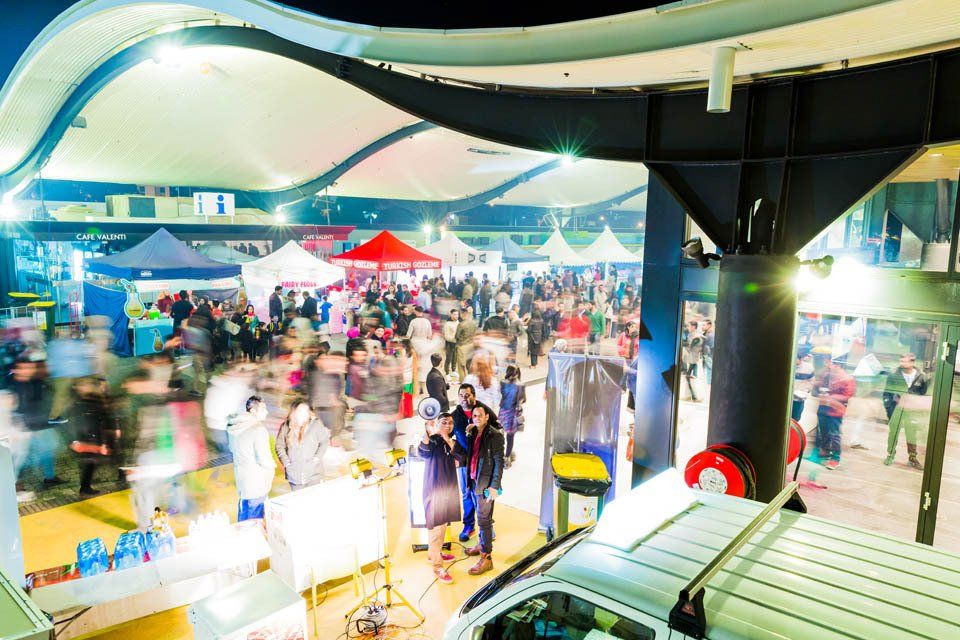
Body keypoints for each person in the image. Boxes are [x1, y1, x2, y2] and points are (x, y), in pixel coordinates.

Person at [418, 412, 466, 584]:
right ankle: (437, 566)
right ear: (437, 424)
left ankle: (434, 553)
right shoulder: (431, 440)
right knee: (436, 527)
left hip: (449, 489)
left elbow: (462, 458)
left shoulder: (451, 441)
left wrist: (447, 438)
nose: (448, 425)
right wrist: (427, 431)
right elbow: (422, 452)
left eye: (450, 423)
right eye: (444, 422)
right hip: (434, 490)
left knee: (443, 523)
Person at [463, 403, 505, 575]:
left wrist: (494, 486)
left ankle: (486, 558)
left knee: (484, 520)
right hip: (474, 481)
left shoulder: (495, 435)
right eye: (475, 416)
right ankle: (481, 544)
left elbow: (499, 461)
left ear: (487, 417)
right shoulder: (473, 432)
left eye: (480, 415)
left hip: (486, 485)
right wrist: (468, 433)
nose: (477, 418)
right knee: (480, 516)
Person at [227, 396, 275, 520]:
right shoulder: (258, 429)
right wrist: (272, 468)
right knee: (256, 519)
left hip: (242, 479)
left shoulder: (235, 426)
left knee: (244, 515)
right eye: (263, 409)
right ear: (253, 411)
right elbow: (264, 459)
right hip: (257, 481)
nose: (267, 412)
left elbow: (232, 449)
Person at [882, 353, 930, 470]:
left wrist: (919, 410)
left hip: (912, 411)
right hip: (897, 409)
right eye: (901, 361)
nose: (902, 364)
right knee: (893, 433)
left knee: (911, 434)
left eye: (905, 361)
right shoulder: (894, 375)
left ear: (912, 362)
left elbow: (923, 394)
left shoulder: (922, 377)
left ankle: (912, 458)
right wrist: (890, 410)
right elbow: (886, 394)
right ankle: (890, 455)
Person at [275, 398, 330, 490]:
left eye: (305, 411)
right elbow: (279, 445)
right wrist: (286, 463)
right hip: (294, 476)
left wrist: (316, 458)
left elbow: (324, 441)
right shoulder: (286, 427)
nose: (303, 414)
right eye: (300, 411)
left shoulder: (315, 424)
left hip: (314, 475)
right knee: (298, 499)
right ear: (294, 412)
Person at [812, 355, 856, 470]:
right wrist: (817, 385)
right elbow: (821, 387)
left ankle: (835, 458)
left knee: (834, 434)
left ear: (838, 365)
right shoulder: (827, 375)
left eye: (830, 363)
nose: (827, 365)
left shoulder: (847, 379)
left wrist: (832, 397)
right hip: (823, 407)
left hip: (835, 410)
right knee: (823, 430)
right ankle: (825, 450)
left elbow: (847, 395)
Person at [499, 365, 525, 468]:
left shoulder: (502, 382)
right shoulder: (520, 385)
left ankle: (499, 455)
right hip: (513, 414)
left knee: (500, 435)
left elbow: (499, 396)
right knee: (510, 437)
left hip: (502, 413)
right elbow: (523, 399)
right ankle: (507, 457)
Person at [455, 308, 478, 383]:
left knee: (461, 365)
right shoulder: (473, 323)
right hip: (471, 345)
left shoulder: (461, 324)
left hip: (462, 346)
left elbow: (457, 336)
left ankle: (463, 381)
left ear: (462, 314)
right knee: (470, 364)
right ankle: (471, 379)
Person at [442, 309, 460, 377]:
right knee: (448, 358)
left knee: (455, 358)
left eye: (457, 314)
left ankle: (453, 371)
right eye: (455, 314)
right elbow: (446, 336)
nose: (456, 316)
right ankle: (447, 373)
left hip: (456, 343)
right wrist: (454, 339)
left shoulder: (458, 322)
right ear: (451, 315)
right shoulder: (447, 324)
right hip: (449, 343)